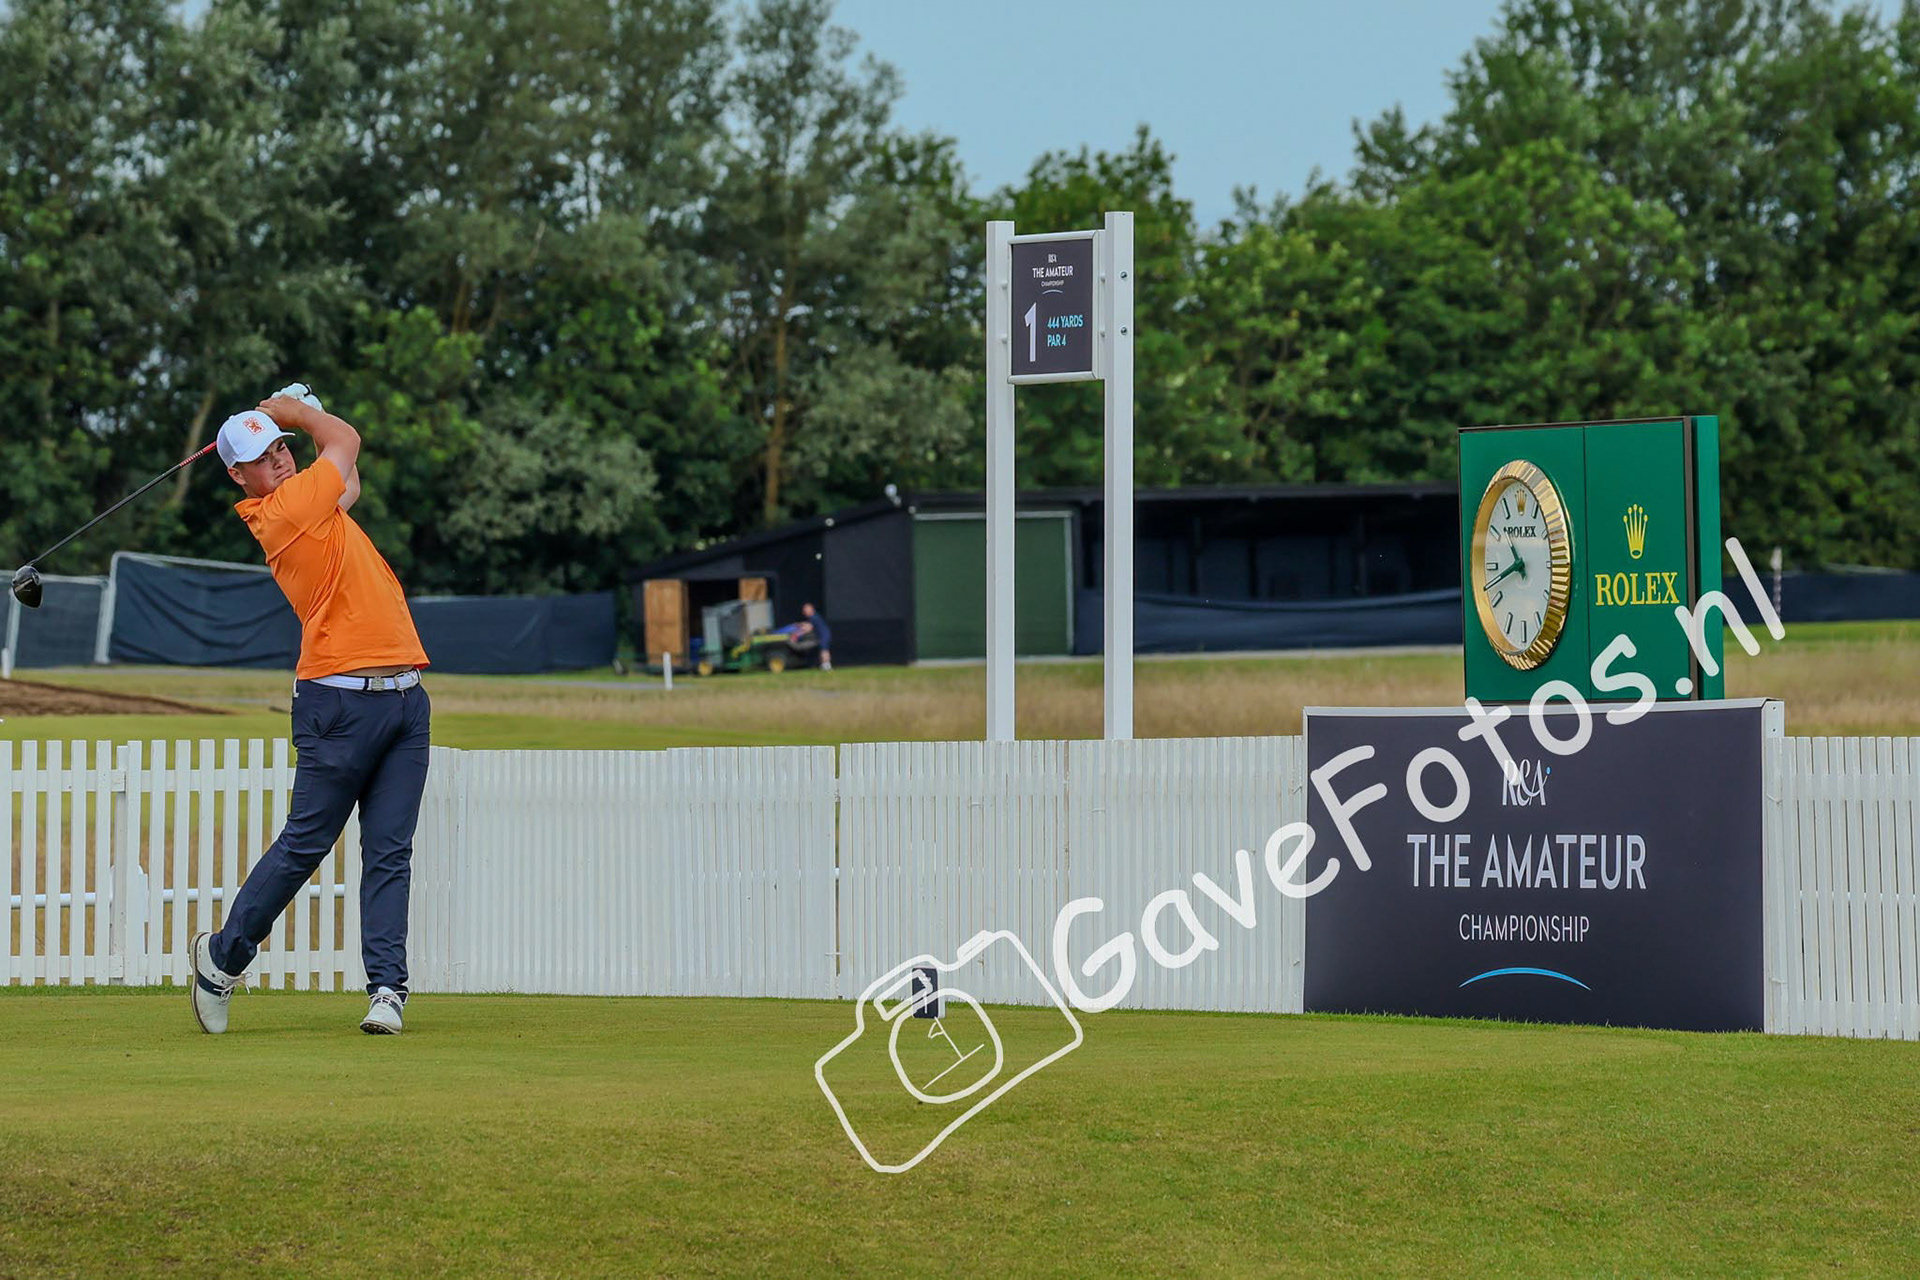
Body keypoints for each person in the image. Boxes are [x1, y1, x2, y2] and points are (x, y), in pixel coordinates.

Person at [189, 386, 432, 1036]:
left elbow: (347, 476)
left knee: (390, 852)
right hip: (338, 702)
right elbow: (346, 443)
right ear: (239, 476)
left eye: (282, 448)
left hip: (405, 698)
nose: (280, 460)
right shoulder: (283, 511)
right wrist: (299, 412)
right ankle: (222, 957)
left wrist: (307, 408)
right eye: (262, 457)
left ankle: (387, 990)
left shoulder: (312, 505)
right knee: (305, 846)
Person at [798, 601, 832, 671]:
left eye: (806, 610)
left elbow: (809, 627)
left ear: (811, 609)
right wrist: (800, 625)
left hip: (824, 636)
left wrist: (799, 632)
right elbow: (808, 624)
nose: (805, 612)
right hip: (823, 635)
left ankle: (826, 665)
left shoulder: (814, 617)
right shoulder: (813, 617)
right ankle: (825, 665)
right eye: (804, 610)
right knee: (824, 650)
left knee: (824, 650)